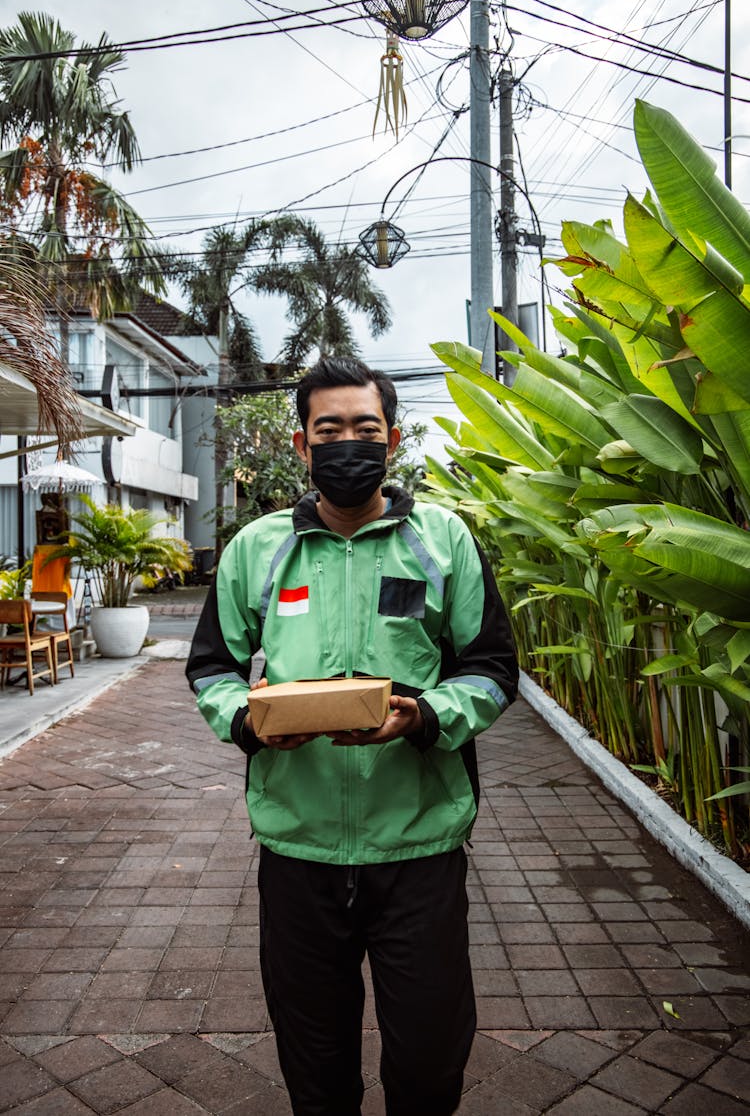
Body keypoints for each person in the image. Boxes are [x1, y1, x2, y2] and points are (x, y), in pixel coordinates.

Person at [186, 355, 518, 1116]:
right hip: (297, 850)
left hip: (420, 847)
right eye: (327, 430)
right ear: (302, 447)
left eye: (364, 428)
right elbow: (212, 668)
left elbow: (493, 668)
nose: (348, 444)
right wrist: (248, 719)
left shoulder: (441, 540)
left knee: (430, 1068)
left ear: (392, 439)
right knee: (317, 1071)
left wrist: (428, 717)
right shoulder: (259, 549)